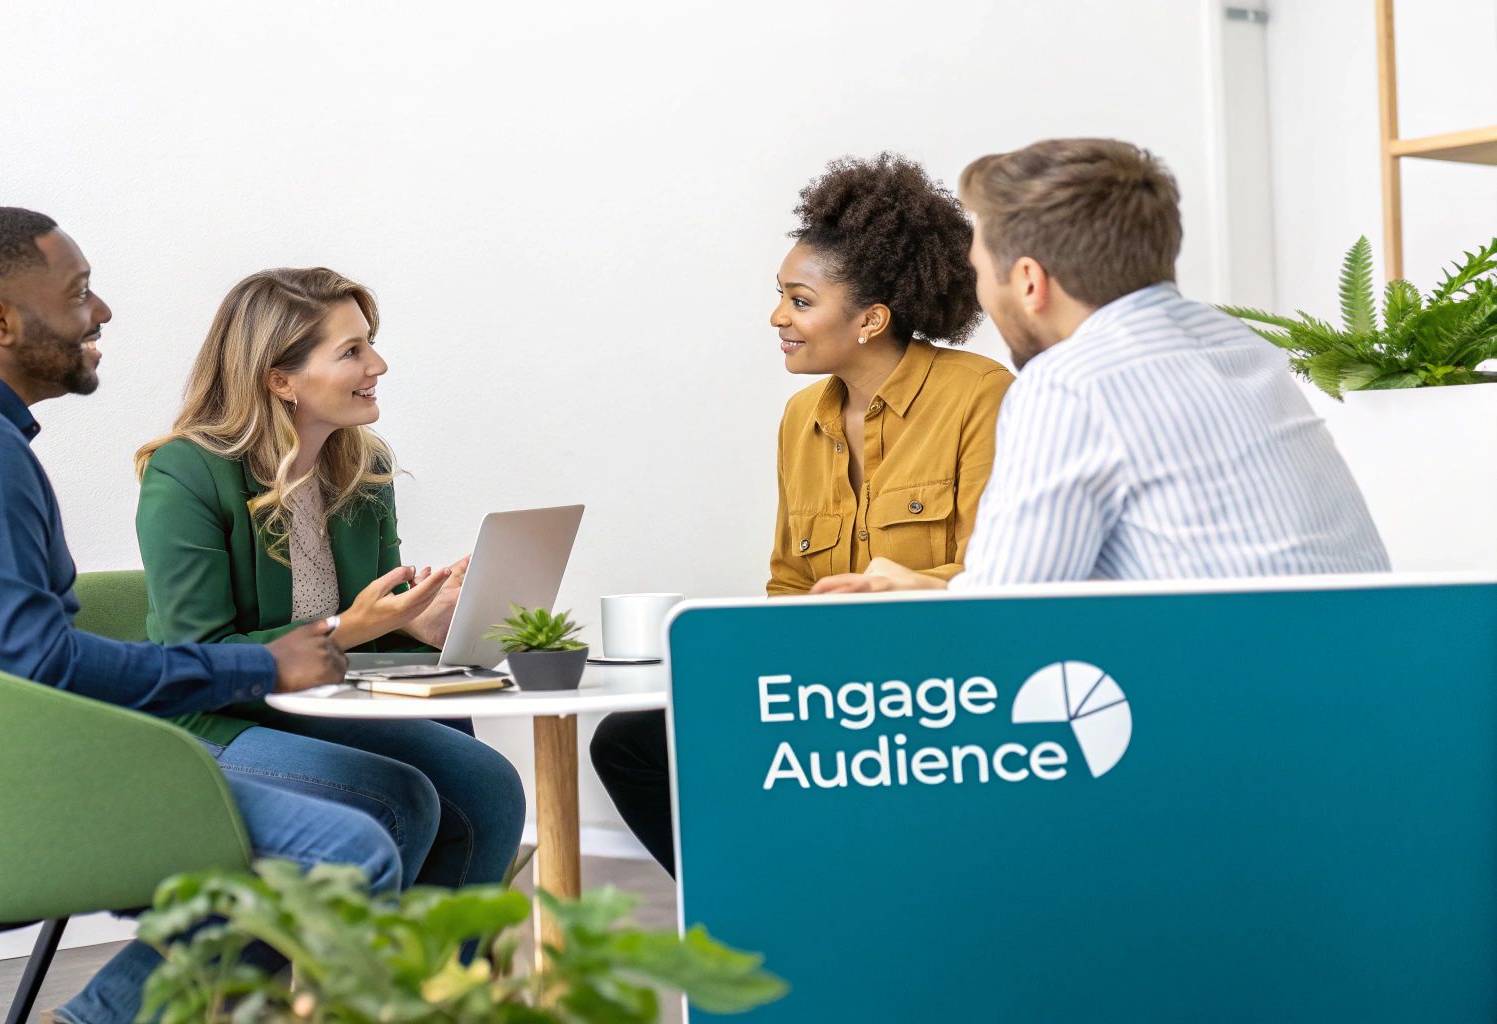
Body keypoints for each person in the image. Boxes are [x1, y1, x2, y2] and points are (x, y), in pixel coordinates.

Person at [0, 208, 396, 1024]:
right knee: (348, 846)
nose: (103, 312)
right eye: (80, 292)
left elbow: (23, 659)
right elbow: (38, 667)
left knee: (371, 816)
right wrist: (263, 663)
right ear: (0, 321)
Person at [592, 154, 1013, 876]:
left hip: (939, 686)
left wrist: (886, 592)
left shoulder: (979, 394)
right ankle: (747, 904)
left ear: (871, 319)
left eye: (800, 300)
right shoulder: (800, 419)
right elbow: (788, 581)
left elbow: (997, 573)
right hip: (825, 682)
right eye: (781, 297)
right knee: (629, 740)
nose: (777, 318)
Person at [810, 138, 1389, 596]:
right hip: (1362, 689)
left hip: (1240, 716)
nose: (981, 292)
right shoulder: (1237, 344)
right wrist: (937, 588)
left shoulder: (1071, 384)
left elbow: (1008, 620)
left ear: (1030, 281)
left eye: (980, 269)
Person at [132, 267, 525, 904]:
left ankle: (441, 994)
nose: (379, 364)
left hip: (319, 707)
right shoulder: (187, 473)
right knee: (399, 801)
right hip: (210, 721)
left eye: (369, 342)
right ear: (279, 378)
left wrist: (418, 622)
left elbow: (368, 635)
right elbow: (196, 656)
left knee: (489, 786)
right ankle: (354, 992)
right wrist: (355, 625)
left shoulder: (363, 467)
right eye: (352, 351)